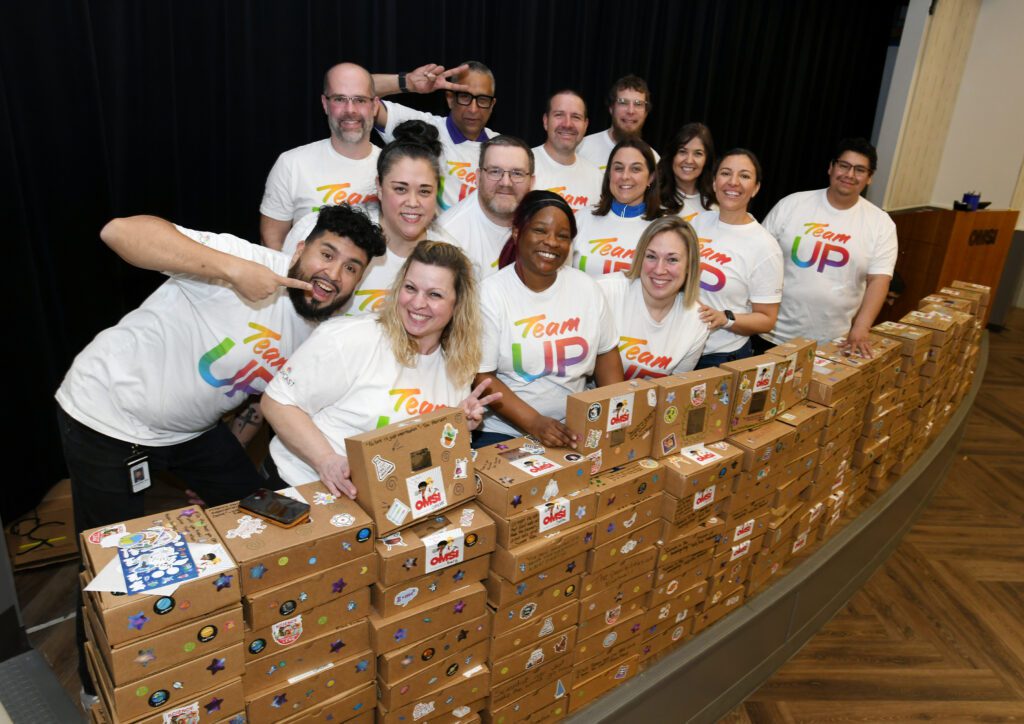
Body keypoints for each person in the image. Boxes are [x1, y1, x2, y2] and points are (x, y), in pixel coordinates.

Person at [57, 204, 385, 703]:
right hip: (107, 417)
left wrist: (222, 459)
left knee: (270, 509)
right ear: (299, 250)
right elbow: (119, 231)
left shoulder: (323, 330)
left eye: (350, 268)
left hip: (191, 433)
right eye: (327, 254)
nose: (332, 275)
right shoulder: (242, 260)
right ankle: (98, 690)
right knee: (115, 571)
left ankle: (260, 638)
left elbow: (260, 397)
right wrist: (231, 271)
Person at [262, 241, 499, 496]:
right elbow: (275, 402)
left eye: (434, 294)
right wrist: (326, 461)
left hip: (383, 499)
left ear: (458, 304)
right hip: (300, 487)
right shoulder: (349, 338)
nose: (417, 303)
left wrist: (458, 428)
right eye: (410, 288)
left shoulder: (457, 362)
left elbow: (418, 445)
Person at [474, 191, 623, 448]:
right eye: (540, 231)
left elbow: (606, 353)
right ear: (517, 232)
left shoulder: (587, 288)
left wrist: (616, 415)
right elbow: (481, 377)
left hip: (576, 426)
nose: (552, 242)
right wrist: (534, 423)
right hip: (505, 431)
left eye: (562, 236)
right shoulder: (489, 294)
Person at [280, 120, 457, 316]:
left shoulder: (450, 257)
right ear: (379, 187)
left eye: (424, 191)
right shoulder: (318, 230)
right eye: (400, 189)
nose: (413, 202)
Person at [762, 138, 897, 356]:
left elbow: (879, 280)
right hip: (771, 334)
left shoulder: (881, 224)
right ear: (831, 167)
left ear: (870, 178)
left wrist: (861, 327)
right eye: (844, 166)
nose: (850, 175)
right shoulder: (792, 204)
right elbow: (759, 258)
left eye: (860, 170)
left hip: (832, 343)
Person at [260, 63, 381, 250]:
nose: (350, 110)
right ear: (325, 104)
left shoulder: (394, 168)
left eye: (360, 99)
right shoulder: (292, 164)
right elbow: (271, 243)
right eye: (340, 99)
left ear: (374, 106)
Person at [690, 149, 783, 368]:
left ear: (756, 188)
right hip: (681, 349)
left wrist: (726, 318)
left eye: (744, 176)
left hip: (720, 358)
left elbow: (767, 319)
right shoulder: (697, 223)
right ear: (714, 182)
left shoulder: (765, 247)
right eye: (725, 173)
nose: (733, 182)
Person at [372, 61, 498, 211]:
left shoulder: (503, 149)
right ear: (450, 98)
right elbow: (354, 92)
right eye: (465, 97)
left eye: (482, 100)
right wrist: (407, 81)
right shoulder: (423, 129)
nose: (473, 109)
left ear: (492, 105)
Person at [597, 216, 709, 378]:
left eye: (672, 259)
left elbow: (674, 389)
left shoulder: (697, 321)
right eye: (651, 256)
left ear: (689, 266)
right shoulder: (604, 293)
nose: (659, 269)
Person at [438, 136, 535, 281]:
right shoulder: (447, 237)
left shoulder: (544, 225)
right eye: (495, 171)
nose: (506, 183)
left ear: (531, 182)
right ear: (478, 177)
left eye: (517, 173)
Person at [572, 139, 661, 277]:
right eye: (618, 168)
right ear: (609, 174)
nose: (625, 176)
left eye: (635, 169)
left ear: (650, 178)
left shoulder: (663, 229)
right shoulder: (582, 218)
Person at [531, 90, 603, 214]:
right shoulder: (524, 166)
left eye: (576, 117)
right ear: (545, 121)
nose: (567, 124)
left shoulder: (596, 177)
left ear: (585, 125)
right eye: (559, 115)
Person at [577, 74, 659, 169]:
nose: (631, 111)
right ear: (611, 108)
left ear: (645, 112)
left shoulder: (654, 160)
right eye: (623, 102)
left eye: (638, 104)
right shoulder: (582, 148)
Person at [657, 123, 717, 222]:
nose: (689, 160)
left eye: (698, 154)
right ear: (672, 155)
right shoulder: (653, 198)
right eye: (682, 152)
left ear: (707, 160)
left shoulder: (717, 202)